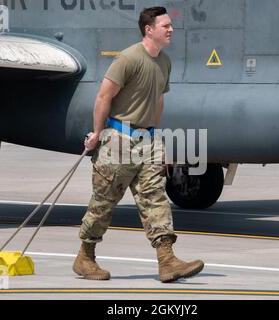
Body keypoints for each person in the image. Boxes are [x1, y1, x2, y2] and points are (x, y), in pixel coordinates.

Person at [73, 6, 204, 283]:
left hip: (147, 140)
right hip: (118, 139)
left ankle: (167, 260)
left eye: (170, 25)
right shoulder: (128, 58)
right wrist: (97, 133)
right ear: (149, 29)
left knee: (155, 198)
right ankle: (85, 257)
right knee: (103, 203)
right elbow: (103, 97)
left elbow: (158, 99)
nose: (171, 29)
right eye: (165, 26)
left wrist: (154, 134)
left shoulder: (164, 62)